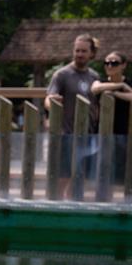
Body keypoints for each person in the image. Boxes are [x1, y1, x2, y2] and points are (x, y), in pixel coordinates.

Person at [44, 34, 101, 197]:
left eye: (84, 51)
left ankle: (73, 205)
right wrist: (52, 104)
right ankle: (57, 205)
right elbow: (49, 98)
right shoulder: (62, 75)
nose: (80, 54)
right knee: (64, 175)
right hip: (66, 134)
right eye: (77, 50)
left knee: (80, 176)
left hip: (88, 134)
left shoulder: (94, 77)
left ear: (92, 53)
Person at [90, 52, 132, 185]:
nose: (110, 65)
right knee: (102, 171)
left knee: (124, 173)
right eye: (107, 63)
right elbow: (95, 89)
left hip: (125, 133)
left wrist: (115, 93)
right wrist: (119, 86)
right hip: (102, 132)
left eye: (114, 63)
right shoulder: (101, 81)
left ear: (123, 65)